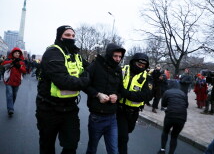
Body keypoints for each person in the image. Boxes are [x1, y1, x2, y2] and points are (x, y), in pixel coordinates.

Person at [35, 25, 90, 154]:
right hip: (48, 109)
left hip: (69, 108)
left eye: (73, 36)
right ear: (60, 36)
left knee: (71, 144)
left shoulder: (75, 55)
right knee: (47, 146)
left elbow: (90, 69)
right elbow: (63, 81)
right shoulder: (53, 53)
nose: (71, 38)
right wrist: (85, 80)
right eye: (67, 35)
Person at [85, 43, 125, 154]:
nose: (118, 59)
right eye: (115, 56)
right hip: (96, 117)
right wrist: (98, 94)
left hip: (112, 118)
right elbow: (84, 84)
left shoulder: (118, 70)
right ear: (109, 55)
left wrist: (117, 96)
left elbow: (121, 90)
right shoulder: (95, 65)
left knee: (114, 151)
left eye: (120, 57)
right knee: (92, 149)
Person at [117, 53, 153, 154]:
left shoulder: (147, 77)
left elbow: (146, 96)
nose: (141, 67)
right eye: (139, 64)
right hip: (120, 109)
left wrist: (125, 93)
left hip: (133, 112)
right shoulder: (122, 70)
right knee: (123, 138)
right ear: (133, 62)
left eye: (143, 65)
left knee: (128, 131)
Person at [157, 80, 188, 154]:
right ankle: (171, 152)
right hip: (182, 117)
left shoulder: (167, 92)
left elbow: (163, 105)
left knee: (165, 131)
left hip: (170, 115)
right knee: (174, 136)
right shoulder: (183, 94)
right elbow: (186, 105)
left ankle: (162, 150)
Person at [1, 48, 26, 116]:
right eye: (16, 53)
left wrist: (19, 67)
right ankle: (10, 109)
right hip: (9, 81)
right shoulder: (9, 60)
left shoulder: (21, 62)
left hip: (17, 81)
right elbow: (3, 64)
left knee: (14, 95)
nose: (17, 54)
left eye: (18, 53)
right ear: (13, 54)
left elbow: (24, 71)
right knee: (9, 94)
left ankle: (11, 106)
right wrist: (12, 62)